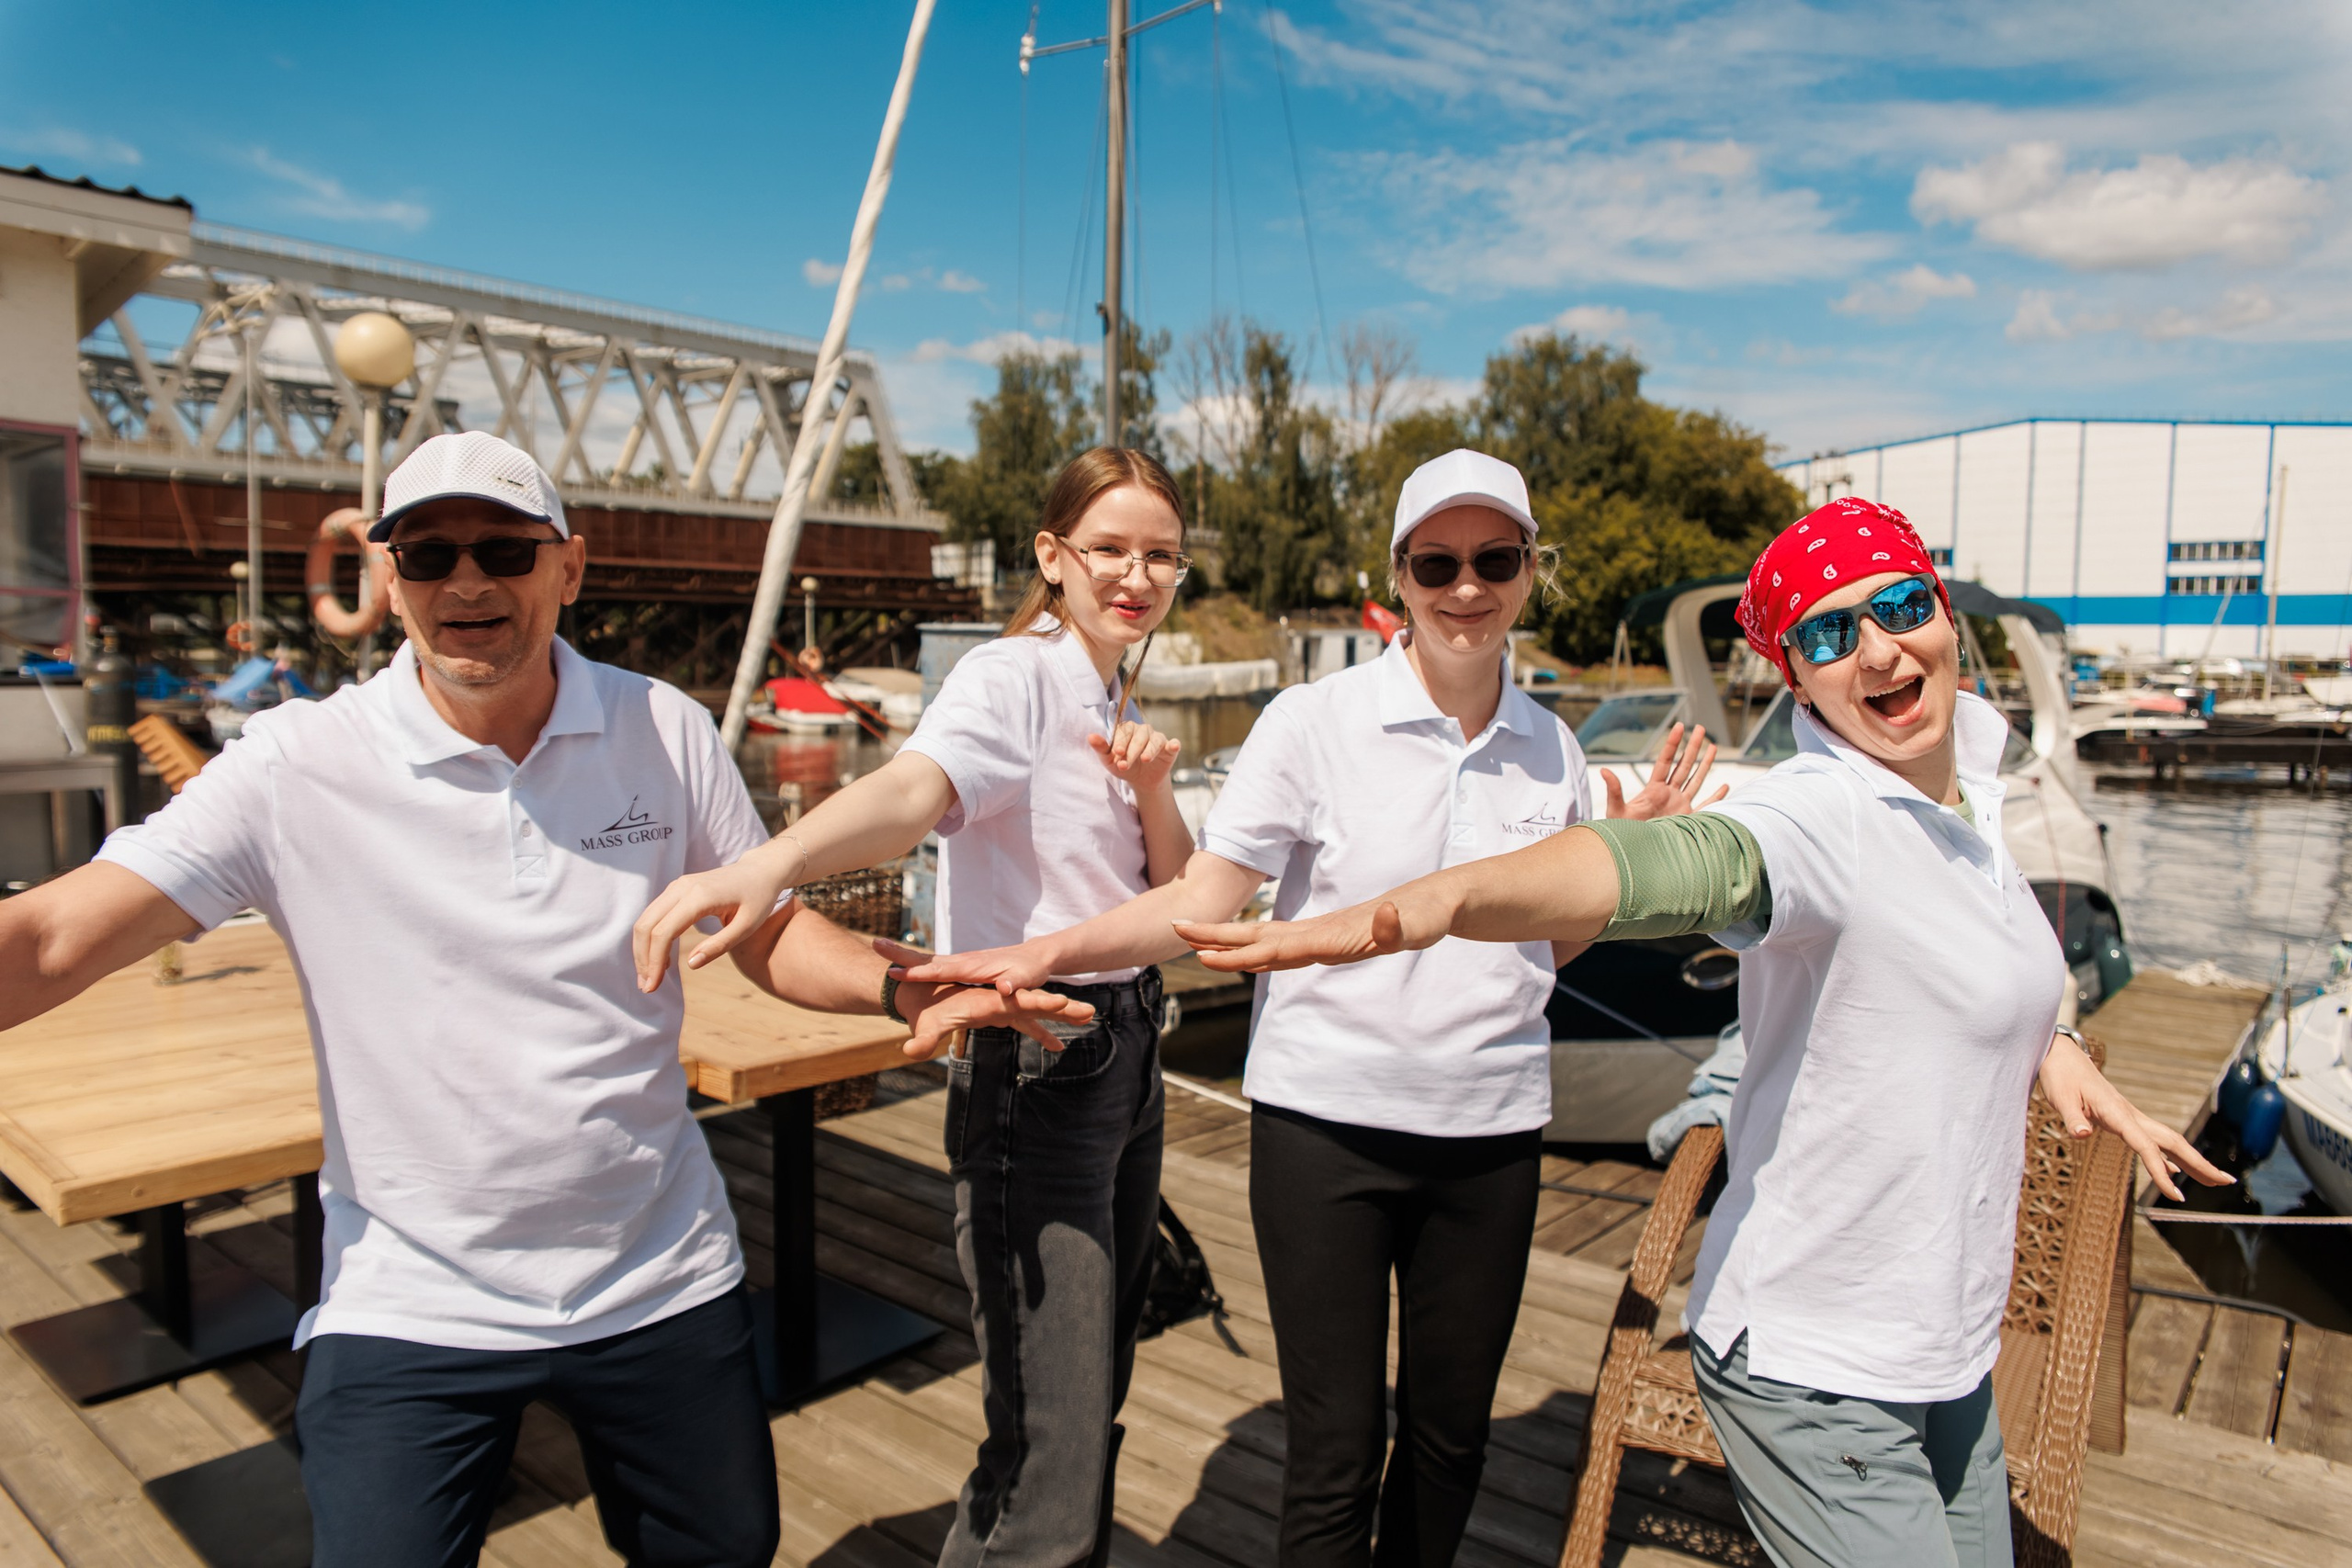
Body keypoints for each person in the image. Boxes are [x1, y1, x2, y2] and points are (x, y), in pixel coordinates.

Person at [0, 431, 1086, 1568]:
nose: (465, 581)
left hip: (657, 1271)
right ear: (388, 582)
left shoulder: (661, 728)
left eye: (504, 550)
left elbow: (759, 929)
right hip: (412, 1293)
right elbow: (55, 932)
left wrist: (899, 984)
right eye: (426, 553)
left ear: (568, 567)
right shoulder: (294, 764)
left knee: (726, 1549)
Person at [1172, 497, 2231, 1568]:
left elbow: (1952, 959)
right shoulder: (1819, 816)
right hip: (1821, 1360)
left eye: (1899, 605)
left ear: (1944, 612)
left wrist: (2044, 1048)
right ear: (1795, 676)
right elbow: (1672, 868)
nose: (1875, 649)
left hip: (1945, 1352)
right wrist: (1427, 907)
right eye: (1827, 634)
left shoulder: (1968, 794)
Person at [886, 448, 1722, 1568]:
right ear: (1402, 574)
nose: (1465, 586)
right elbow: (1197, 905)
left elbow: (1546, 946)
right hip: (1323, 1132)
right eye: (1437, 562)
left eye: (1495, 560)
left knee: (1449, 1442)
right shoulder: (1312, 722)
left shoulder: (1554, 750)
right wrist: (1038, 952)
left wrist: (1623, 856)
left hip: (1490, 1137)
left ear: (1531, 572)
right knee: (1333, 1451)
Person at [633, 446, 1194, 1568]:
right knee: (1050, 1446)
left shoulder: (1108, 682)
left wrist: (1153, 790)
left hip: (1124, 1047)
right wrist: (770, 864)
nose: (1136, 575)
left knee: (1086, 1405)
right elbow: (913, 792)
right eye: (1110, 550)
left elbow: (1175, 896)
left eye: (1161, 556)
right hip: (1039, 1068)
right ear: (1052, 555)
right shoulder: (1014, 676)